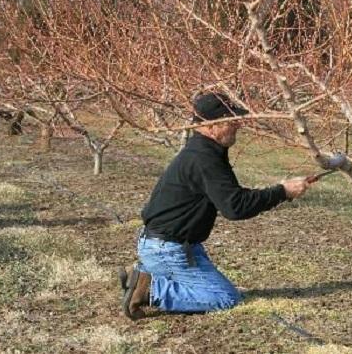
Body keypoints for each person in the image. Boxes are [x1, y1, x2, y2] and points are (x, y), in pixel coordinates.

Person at [119, 92, 310, 319]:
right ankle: (149, 289)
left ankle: (143, 275)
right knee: (225, 298)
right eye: (231, 121)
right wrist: (283, 192)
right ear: (211, 126)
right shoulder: (204, 158)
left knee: (215, 290)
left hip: (173, 245)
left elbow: (231, 196)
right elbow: (235, 207)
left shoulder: (205, 151)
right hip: (168, 249)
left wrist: (279, 189)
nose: (238, 125)